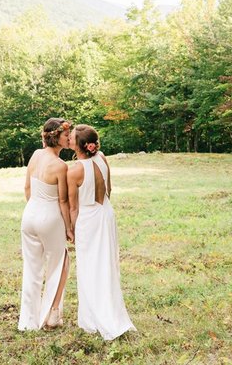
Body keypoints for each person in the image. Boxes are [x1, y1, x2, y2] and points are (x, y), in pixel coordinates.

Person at [67, 124, 136, 340]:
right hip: (106, 213)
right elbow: (110, 189)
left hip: (88, 218)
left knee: (90, 267)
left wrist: (71, 229)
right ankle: (100, 314)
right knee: (106, 264)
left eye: (71, 138)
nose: (68, 139)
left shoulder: (75, 169)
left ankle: (98, 318)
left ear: (79, 146)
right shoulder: (103, 158)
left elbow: (73, 206)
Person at [18, 118, 73, 331]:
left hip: (29, 214)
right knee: (60, 263)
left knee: (31, 268)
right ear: (55, 137)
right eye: (65, 134)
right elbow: (63, 201)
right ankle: (52, 314)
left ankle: (28, 322)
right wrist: (69, 227)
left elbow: (27, 188)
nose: (68, 137)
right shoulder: (61, 166)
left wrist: (34, 208)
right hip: (49, 217)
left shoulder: (35, 155)